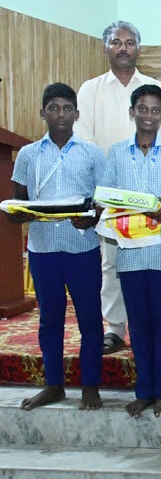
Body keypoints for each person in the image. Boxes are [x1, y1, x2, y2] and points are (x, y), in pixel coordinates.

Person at [77, 21, 161, 356]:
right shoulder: (90, 90)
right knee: (111, 261)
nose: (123, 48)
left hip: (150, 194)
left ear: (138, 49)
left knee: (152, 261)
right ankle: (116, 328)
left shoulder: (156, 87)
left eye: (130, 42)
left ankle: (150, 327)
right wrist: (105, 190)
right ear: (105, 47)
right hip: (110, 192)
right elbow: (85, 141)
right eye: (116, 42)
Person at [6, 83, 106, 410]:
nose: (60, 114)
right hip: (43, 250)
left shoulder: (92, 153)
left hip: (82, 248)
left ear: (76, 114)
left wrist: (90, 220)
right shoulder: (28, 154)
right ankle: (53, 385)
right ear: (43, 113)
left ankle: (90, 385)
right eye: (53, 108)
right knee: (50, 319)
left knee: (90, 318)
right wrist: (18, 213)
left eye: (66, 108)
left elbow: (102, 203)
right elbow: (19, 202)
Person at [101, 84, 161, 418]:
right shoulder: (117, 153)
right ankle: (144, 391)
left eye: (155, 110)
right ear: (132, 112)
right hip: (129, 252)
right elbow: (106, 196)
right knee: (138, 325)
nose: (148, 115)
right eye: (142, 108)